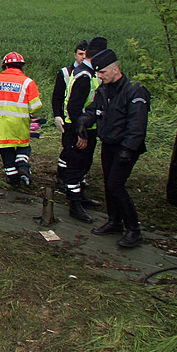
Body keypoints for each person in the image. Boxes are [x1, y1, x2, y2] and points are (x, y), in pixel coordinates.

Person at [76, 49, 150, 248]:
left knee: (116, 185)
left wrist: (128, 148)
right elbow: (94, 110)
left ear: (115, 69)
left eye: (103, 73)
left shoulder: (134, 91)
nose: (99, 76)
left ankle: (133, 229)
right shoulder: (104, 89)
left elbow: (137, 124)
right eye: (98, 73)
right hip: (109, 143)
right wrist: (83, 122)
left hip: (125, 147)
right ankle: (114, 221)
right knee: (109, 184)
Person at [58, 39, 105, 222]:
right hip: (78, 128)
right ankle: (74, 204)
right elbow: (74, 107)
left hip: (87, 127)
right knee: (75, 167)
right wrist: (81, 132)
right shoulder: (84, 76)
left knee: (84, 164)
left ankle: (81, 196)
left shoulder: (87, 73)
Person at [0, 51, 44, 186]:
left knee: (6, 151)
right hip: (20, 123)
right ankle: (22, 164)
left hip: (1, 124)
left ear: (5, 66)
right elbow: (36, 106)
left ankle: (13, 180)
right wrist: (32, 116)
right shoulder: (28, 82)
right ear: (21, 66)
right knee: (23, 146)